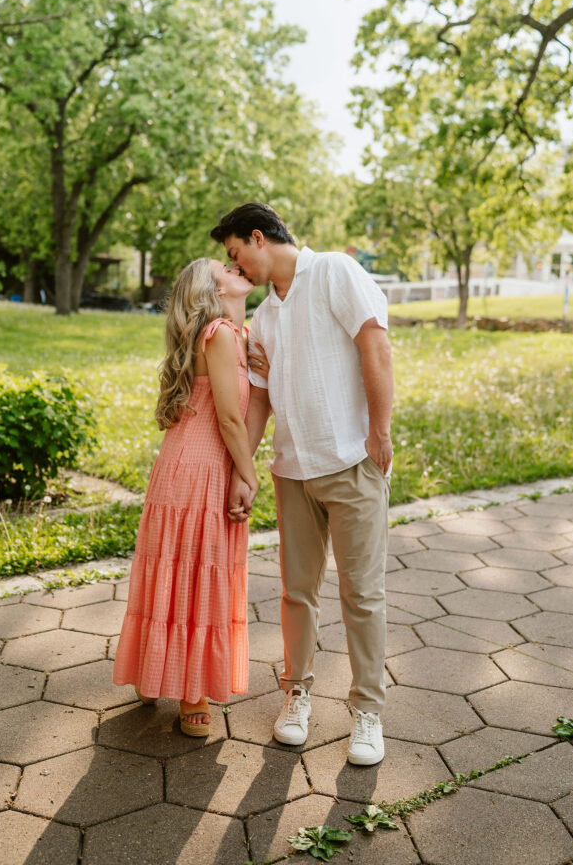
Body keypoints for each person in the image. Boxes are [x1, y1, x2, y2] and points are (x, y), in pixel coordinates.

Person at [211, 203, 393, 766]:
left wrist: (379, 432)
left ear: (258, 237)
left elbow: (374, 345)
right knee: (296, 594)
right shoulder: (263, 317)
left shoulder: (335, 272)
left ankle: (367, 712)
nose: (235, 267)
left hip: (350, 462)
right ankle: (297, 695)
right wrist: (245, 469)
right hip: (292, 472)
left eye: (236, 254)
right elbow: (260, 398)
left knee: (362, 594)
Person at [112, 257, 261, 736]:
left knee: (184, 570)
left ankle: (159, 670)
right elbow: (229, 420)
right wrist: (249, 473)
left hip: (190, 465)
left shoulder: (237, 336)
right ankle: (191, 691)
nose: (238, 267)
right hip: (198, 469)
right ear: (212, 289)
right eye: (227, 266)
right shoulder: (217, 332)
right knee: (192, 571)